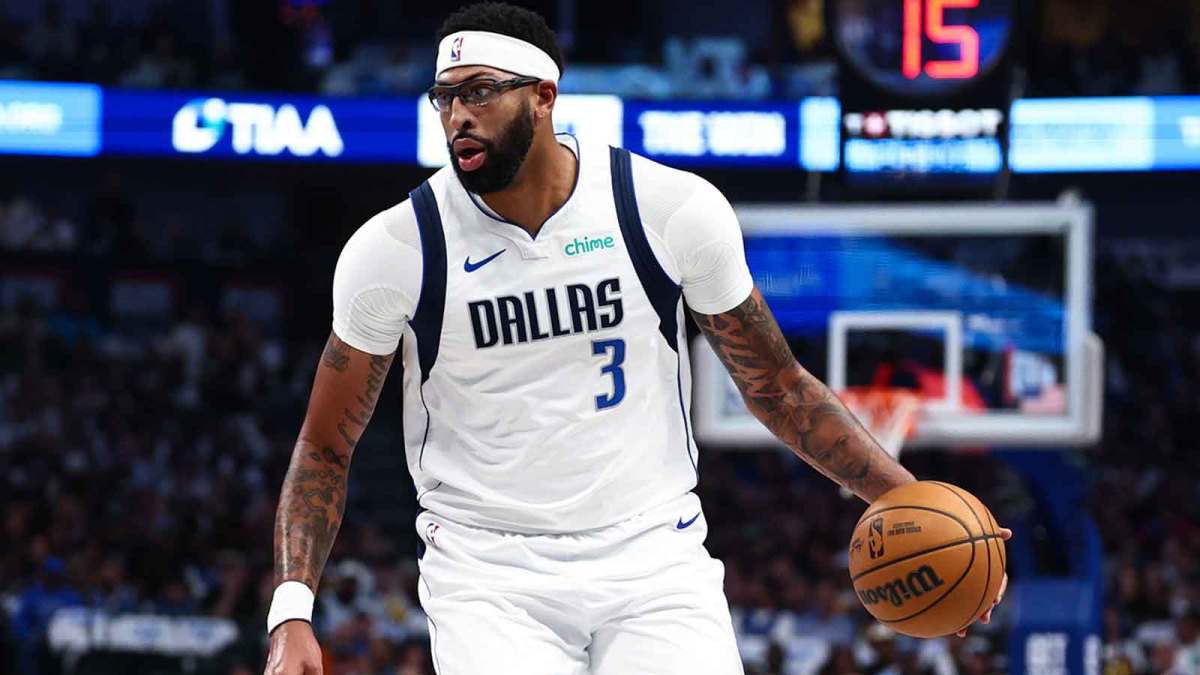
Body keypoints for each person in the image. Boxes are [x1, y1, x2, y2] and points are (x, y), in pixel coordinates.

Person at [262, 4, 1008, 674]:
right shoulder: (395, 250)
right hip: (489, 575)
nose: (459, 115)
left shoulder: (664, 208)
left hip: (655, 556)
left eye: (481, 91)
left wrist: (914, 502)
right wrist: (291, 610)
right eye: (446, 97)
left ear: (543, 96)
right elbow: (325, 446)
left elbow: (778, 387)